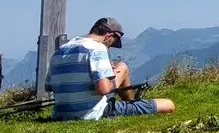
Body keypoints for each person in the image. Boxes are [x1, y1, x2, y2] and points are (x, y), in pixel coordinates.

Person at [47, 17, 175, 120]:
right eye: (111, 44)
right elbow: (103, 89)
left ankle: (131, 103)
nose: (109, 48)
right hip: (92, 113)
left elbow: (49, 87)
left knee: (122, 67)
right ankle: (131, 104)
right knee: (168, 104)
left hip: (60, 115)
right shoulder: (97, 48)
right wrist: (108, 76)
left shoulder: (61, 50)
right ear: (108, 36)